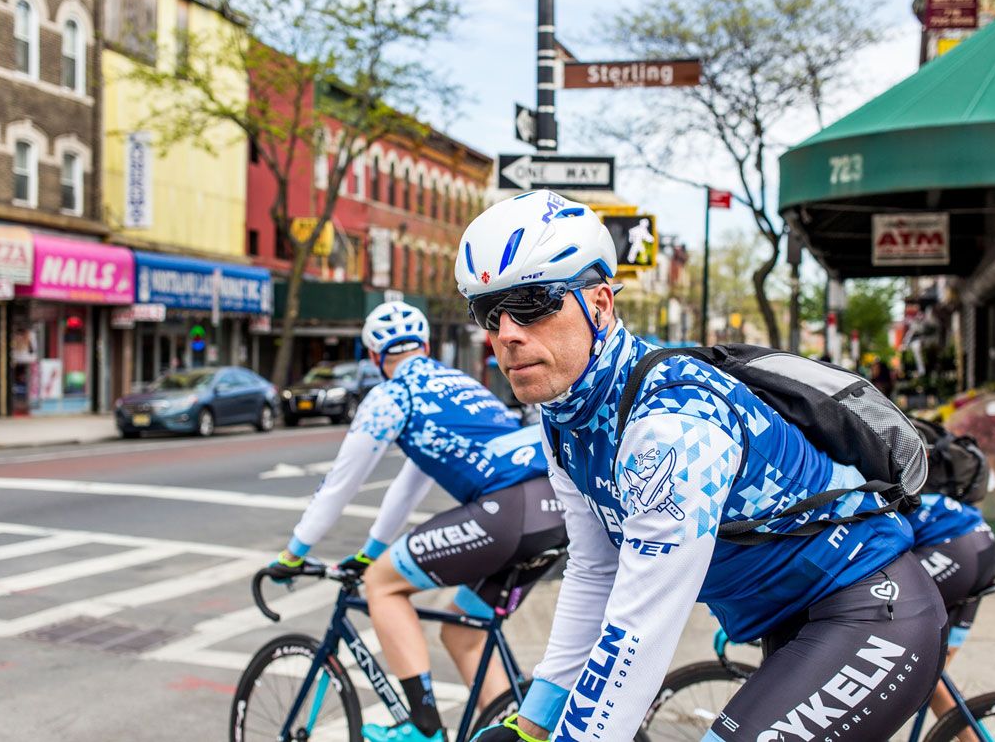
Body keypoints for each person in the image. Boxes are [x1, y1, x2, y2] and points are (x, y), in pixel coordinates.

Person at [458, 191, 947, 742]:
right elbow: (596, 573)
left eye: (532, 303)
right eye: (488, 313)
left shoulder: (674, 424)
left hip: (868, 610)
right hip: (795, 624)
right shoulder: (563, 419)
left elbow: (642, 626)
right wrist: (532, 723)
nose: (507, 333)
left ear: (599, 303)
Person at [265, 300, 566, 742]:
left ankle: (423, 727)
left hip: (510, 510)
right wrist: (369, 551)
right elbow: (409, 486)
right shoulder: (454, 384)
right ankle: (516, 730)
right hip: (553, 512)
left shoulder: (391, 397)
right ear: (425, 345)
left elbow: (339, 485)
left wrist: (294, 554)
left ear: (373, 356)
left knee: (382, 584)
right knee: (462, 633)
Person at [906, 492, 995, 723]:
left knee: (914, 664)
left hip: (956, 551)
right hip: (984, 546)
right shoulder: (911, 489)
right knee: (932, 674)